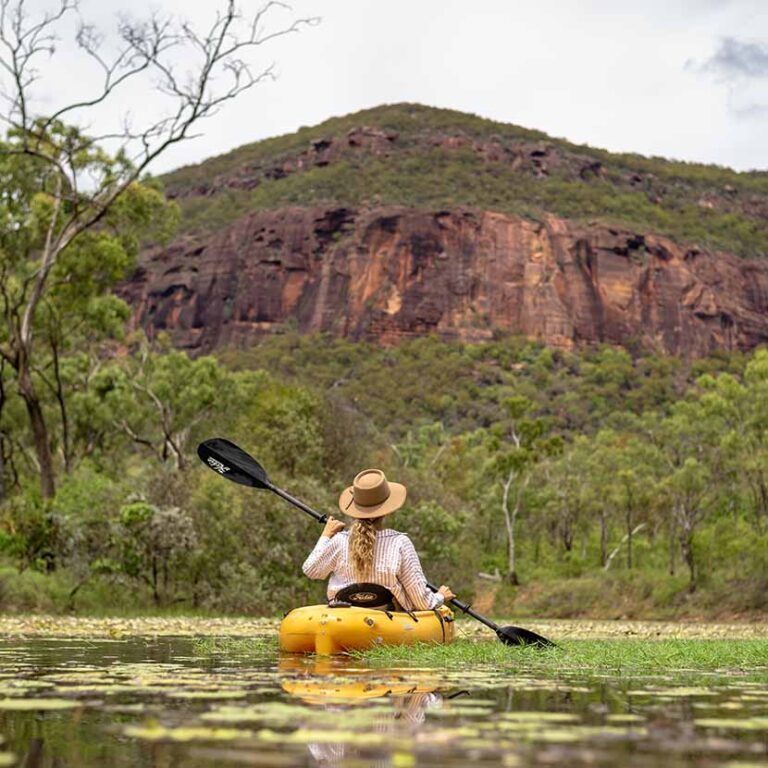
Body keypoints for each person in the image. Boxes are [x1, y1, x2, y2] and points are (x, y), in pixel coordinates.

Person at [302, 468, 455, 610]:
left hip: (344, 618)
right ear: (386, 510)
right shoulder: (400, 543)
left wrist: (326, 535)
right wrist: (440, 596)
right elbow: (422, 603)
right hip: (389, 620)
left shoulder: (339, 541)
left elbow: (312, 570)